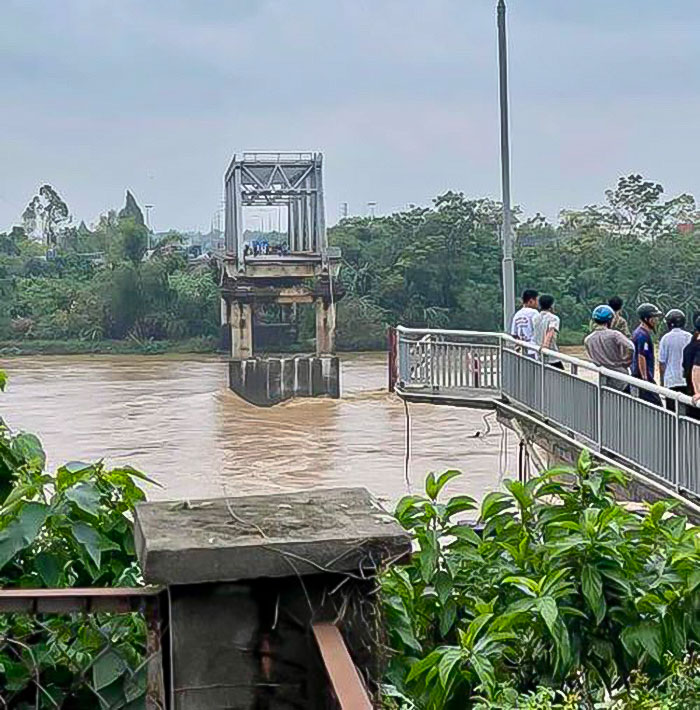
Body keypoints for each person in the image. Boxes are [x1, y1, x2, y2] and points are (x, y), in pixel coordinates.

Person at [584, 304, 634, 391]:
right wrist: (626, 361)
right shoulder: (614, 335)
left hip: (603, 377)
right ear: (610, 320)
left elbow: (593, 359)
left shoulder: (588, 340)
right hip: (620, 376)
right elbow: (631, 347)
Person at [631, 302, 664, 406]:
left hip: (639, 377)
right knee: (658, 406)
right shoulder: (642, 336)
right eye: (654, 318)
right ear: (647, 319)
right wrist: (645, 379)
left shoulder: (638, 333)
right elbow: (641, 356)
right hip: (643, 379)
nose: (656, 321)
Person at [659, 309, 692, 410]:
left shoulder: (665, 338)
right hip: (687, 381)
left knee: (672, 413)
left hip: (671, 381)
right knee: (688, 414)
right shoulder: (689, 337)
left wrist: (662, 382)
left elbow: (662, 363)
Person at [533, 294, 563, 369]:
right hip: (551, 356)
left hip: (539, 354)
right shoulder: (554, 318)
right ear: (551, 305)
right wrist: (545, 347)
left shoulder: (535, 318)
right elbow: (550, 332)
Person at [683, 314, 700, 420]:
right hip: (696, 399)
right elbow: (696, 369)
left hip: (690, 396)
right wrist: (698, 392)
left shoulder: (689, 347)